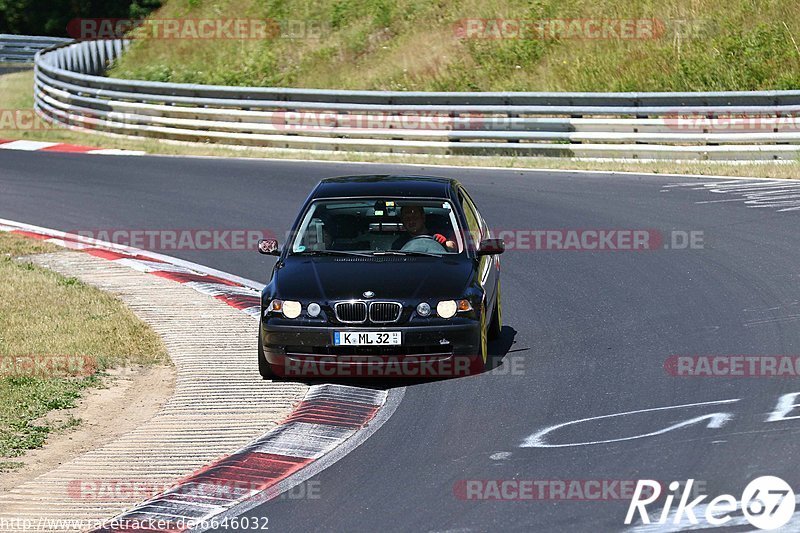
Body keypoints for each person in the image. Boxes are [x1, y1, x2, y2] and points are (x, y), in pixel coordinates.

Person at [391, 205, 456, 251]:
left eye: (415, 217)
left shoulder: (438, 236)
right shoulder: (399, 244)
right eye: (407, 219)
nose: (411, 221)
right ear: (403, 221)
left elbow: (454, 248)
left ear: (423, 217)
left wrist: (445, 244)